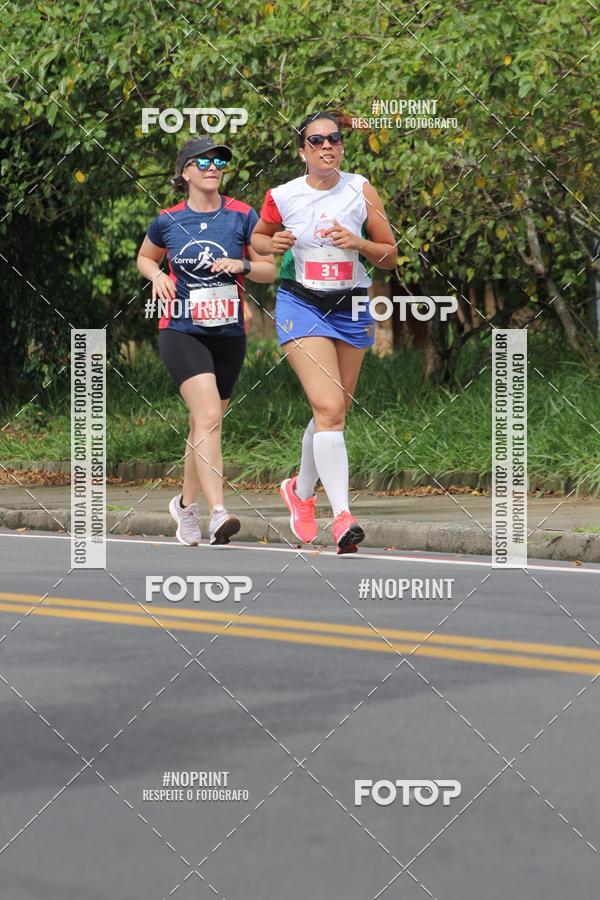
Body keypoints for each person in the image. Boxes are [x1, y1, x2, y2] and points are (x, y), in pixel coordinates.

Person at [251, 112, 396, 554]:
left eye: (334, 138)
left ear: (342, 147)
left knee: (333, 413)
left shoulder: (360, 189)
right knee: (329, 408)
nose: (327, 146)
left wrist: (359, 244)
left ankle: (300, 491)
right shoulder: (282, 196)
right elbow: (258, 239)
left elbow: (390, 256)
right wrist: (271, 244)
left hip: (351, 307)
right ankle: (343, 517)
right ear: (303, 151)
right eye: (316, 140)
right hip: (301, 304)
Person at [137, 136, 275, 545]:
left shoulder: (243, 216)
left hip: (228, 333)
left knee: (204, 423)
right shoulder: (167, 220)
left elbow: (270, 269)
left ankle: (184, 506)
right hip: (181, 329)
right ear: (184, 173)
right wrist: (157, 275)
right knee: (210, 417)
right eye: (203, 162)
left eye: (219, 162)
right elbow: (145, 257)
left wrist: (242, 264)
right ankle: (218, 513)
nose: (213, 167)